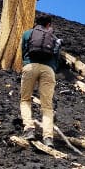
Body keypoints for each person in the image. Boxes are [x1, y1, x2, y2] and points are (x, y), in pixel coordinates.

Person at [20, 14, 62, 147]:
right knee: (47, 106)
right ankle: (48, 138)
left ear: (36, 23)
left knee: (25, 99)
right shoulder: (54, 38)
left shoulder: (28, 33)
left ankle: (29, 129)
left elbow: (23, 51)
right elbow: (57, 58)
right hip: (48, 71)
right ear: (49, 25)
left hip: (30, 67)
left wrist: (26, 63)